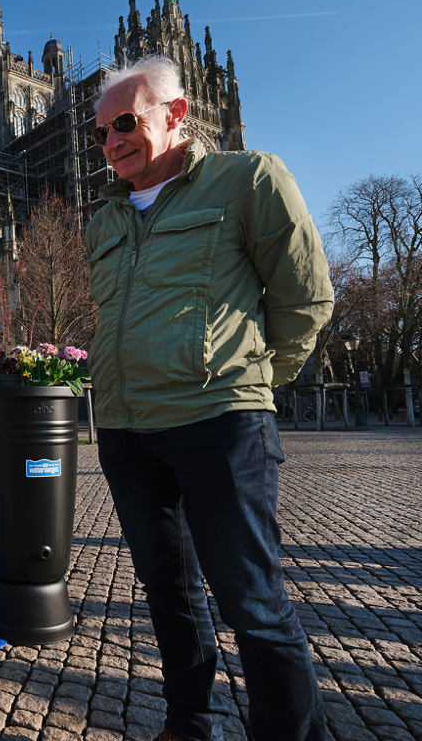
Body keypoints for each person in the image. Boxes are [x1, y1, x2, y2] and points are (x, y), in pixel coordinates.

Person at [85, 55, 334, 741]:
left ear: (177, 113)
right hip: (124, 429)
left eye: (126, 123)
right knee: (166, 592)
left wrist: (244, 381)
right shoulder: (103, 218)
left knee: (251, 600)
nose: (111, 142)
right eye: (101, 131)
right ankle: (189, 724)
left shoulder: (247, 179)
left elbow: (305, 296)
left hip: (217, 422)